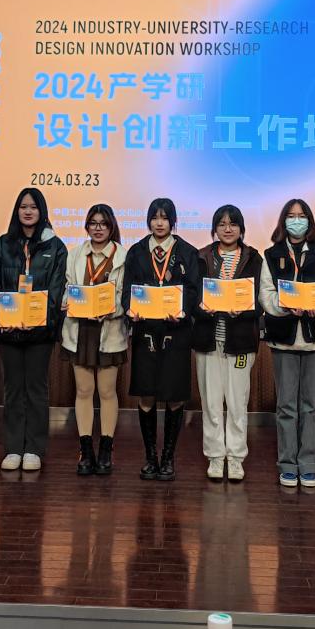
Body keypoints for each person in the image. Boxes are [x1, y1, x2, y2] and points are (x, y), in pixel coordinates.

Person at [0, 187, 68, 472]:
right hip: (9, 331)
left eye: (33, 207)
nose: (28, 212)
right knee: (13, 389)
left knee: (37, 389)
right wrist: (2, 319)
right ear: (16, 211)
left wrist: (40, 318)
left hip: (40, 333)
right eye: (23, 207)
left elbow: (57, 291)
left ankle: (34, 449)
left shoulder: (56, 247)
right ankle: (13, 448)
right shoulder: (2, 245)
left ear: (42, 211)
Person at [259, 198, 315, 488]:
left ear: (309, 220)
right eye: (291, 216)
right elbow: (266, 293)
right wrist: (283, 306)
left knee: (308, 406)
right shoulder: (271, 254)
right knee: (286, 406)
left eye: (301, 215)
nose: (296, 220)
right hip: (283, 339)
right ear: (284, 221)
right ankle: (287, 464)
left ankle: (307, 464)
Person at [122, 197, 202, 481]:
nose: (159, 223)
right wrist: (129, 309)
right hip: (145, 334)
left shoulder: (187, 252)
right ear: (148, 221)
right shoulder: (136, 251)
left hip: (176, 334)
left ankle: (168, 457)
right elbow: (127, 289)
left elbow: (193, 290)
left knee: (175, 397)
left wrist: (183, 310)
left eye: (165, 218)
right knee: (146, 394)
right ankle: (150, 457)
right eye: (155, 218)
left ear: (173, 221)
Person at [193, 204, 263, 482]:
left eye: (233, 224)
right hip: (209, 340)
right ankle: (214, 456)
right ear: (214, 229)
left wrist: (242, 310)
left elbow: (260, 300)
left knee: (237, 403)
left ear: (241, 228)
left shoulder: (254, 258)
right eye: (222, 224)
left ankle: (235, 457)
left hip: (241, 340)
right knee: (211, 402)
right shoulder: (201, 257)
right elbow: (192, 296)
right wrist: (202, 308)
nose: (227, 229)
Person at [59, 204, 128, 475]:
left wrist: (112, 310)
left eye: (103, 223)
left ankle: (106, 449)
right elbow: (67, 288)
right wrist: (67, 302)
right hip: (80, 331)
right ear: (87, 226)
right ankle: (85, 450)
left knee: (107, 392)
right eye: (93, 223)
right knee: (84, 391)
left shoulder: (123, 256)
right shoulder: (75, 254)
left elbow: (125, 295)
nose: (98, 228)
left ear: (111, 227)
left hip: (109, 330)